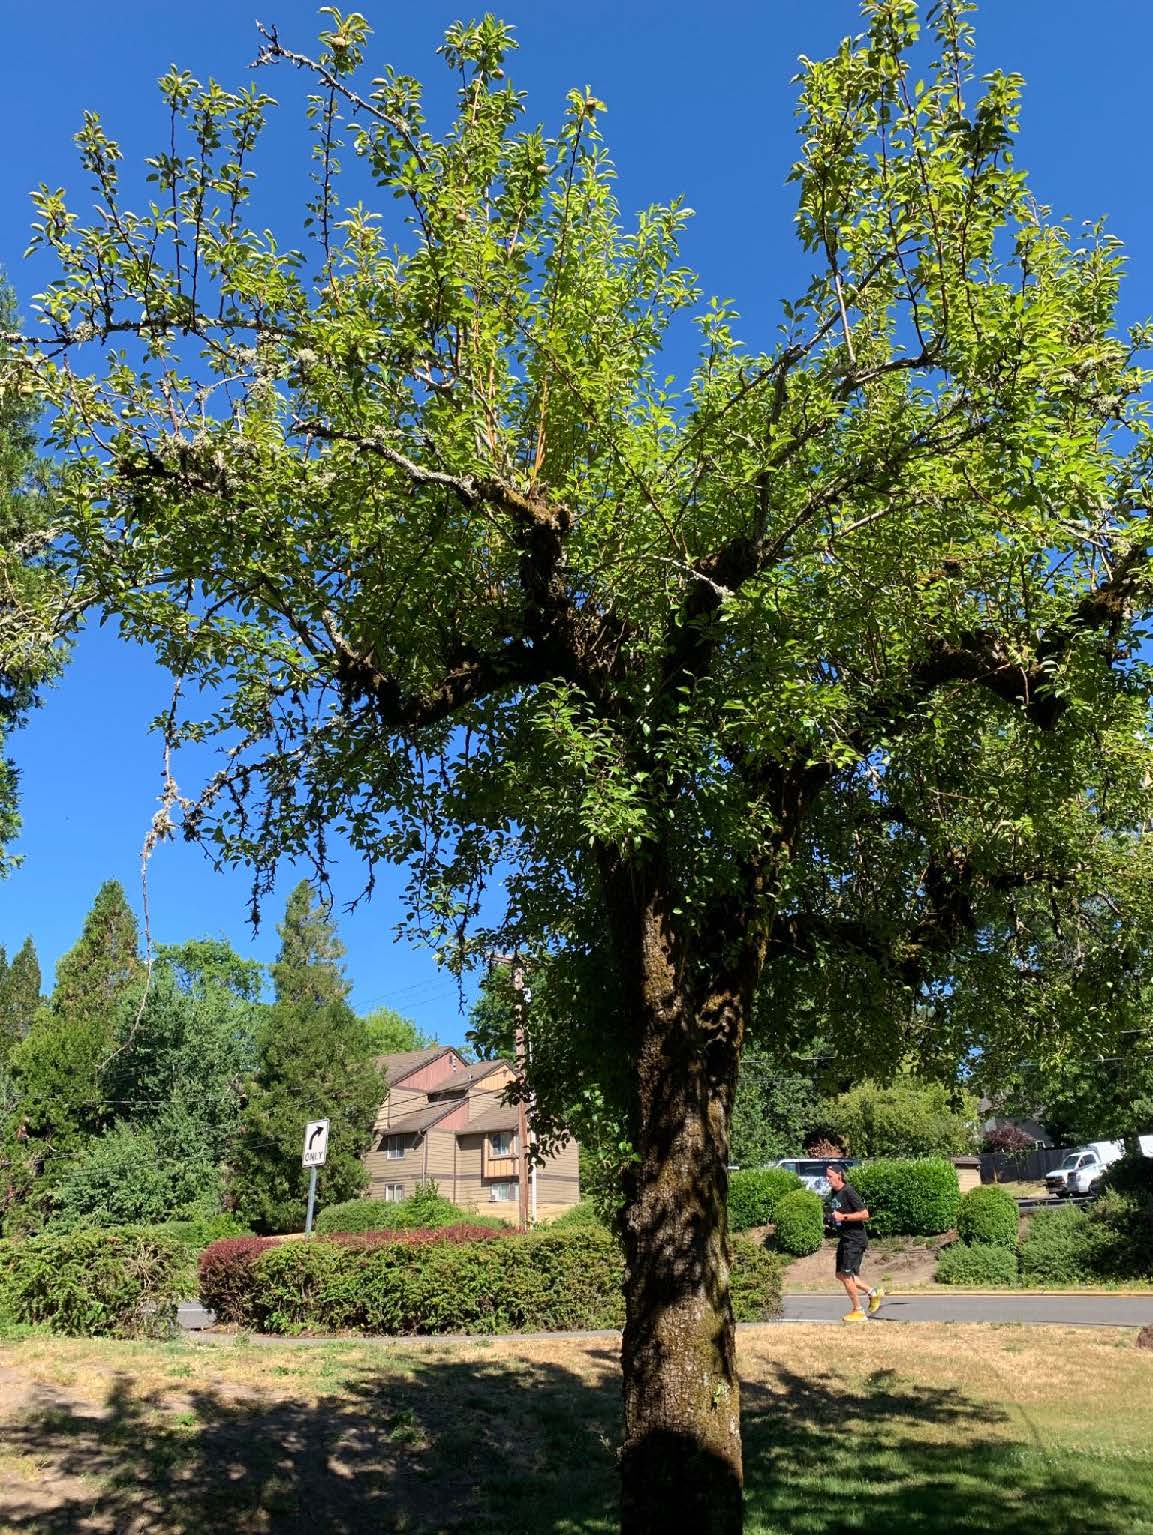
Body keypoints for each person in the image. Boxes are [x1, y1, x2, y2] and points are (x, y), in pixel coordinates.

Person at [826, 1164, 883, 1322]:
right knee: (840, 1274)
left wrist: (842, 1217)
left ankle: (858, 1311)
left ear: (839, 1175)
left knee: (846, 1274)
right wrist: (830, 1221)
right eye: (827, 1176)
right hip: (845, 1238)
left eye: (829, 1176)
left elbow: (865, 1214)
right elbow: (837, 1214)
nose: (827, 1179)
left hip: (855, 1239)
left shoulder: (848, 1191)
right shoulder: (833, 1193)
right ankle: (872, 1292)